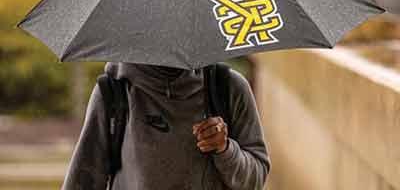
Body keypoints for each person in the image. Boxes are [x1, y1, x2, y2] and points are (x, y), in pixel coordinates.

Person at [61, 62, 271, 189]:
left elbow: (255, 179)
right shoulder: (114, 93)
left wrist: (225, 149)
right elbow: (82, 181)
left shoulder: (228, 88)